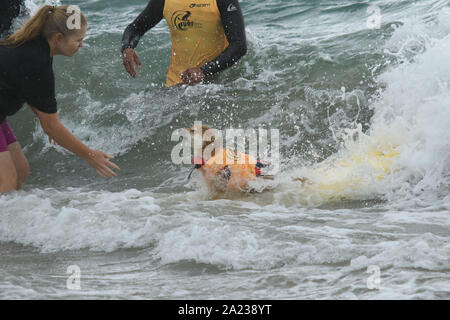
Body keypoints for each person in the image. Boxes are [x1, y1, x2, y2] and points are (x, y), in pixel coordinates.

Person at [0, 5, 120, 193]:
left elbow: (27, 89)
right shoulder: (37, 62)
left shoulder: (36, 46)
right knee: (7, 181)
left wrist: (48, 124)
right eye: (78, 40)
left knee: (21, 171)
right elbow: (51, 126)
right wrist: (90, 156)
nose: (81, 45)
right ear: (58, 38)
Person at [121, 0, 247, 86]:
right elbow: (135, 28)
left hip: (216, 84)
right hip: (177, 85)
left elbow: (239, 45)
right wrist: (127, 47)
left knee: (203, 126)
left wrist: (204, 71)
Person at [188, 125, 274, 193]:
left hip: (253, 178)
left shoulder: (210, 163)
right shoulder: (220, 154)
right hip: (258, 168)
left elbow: (221, 190)